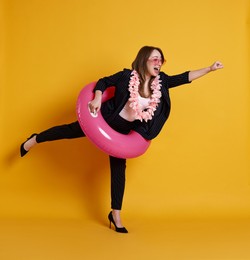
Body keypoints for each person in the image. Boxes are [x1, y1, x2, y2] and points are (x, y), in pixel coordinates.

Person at [20, 46, 223, 233]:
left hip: (124, 134)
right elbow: (103, 82)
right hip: (105, 119)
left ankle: (115, 214)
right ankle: (35, 139)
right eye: (154, 58)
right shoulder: (127, 76)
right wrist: (98, 97)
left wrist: (209, 69)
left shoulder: (160, 83)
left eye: (161, 59)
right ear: (144, 60)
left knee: (119, 171)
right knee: (68, 130)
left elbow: (185, 77)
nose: (159, 62)